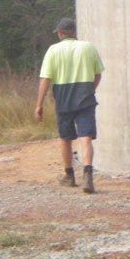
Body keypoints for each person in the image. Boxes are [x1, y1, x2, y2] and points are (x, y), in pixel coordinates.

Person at [35, 17, 104, 193]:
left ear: (60, 33)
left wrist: (39, 104)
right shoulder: (88, 47)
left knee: (66, 139)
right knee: (85, 137)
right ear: (74, 32)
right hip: (85, 97)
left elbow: (46, 79)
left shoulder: (53, 50)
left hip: (64, 98)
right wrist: (90, 90)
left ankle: (69, 175)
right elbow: (98, 74)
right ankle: (88, 176)